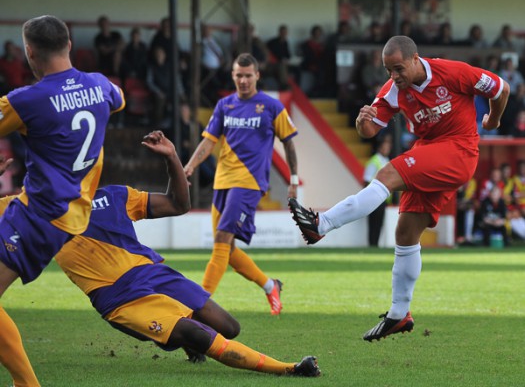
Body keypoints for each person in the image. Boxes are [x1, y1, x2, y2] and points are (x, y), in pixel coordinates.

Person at [0, 131, 320, 379]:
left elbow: (178, 205)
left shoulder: (116, 196)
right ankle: (289, 369)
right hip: (118, 296)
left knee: (228, 326)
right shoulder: (29, 208)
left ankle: (179, 338)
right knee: (195, 332)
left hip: (152, 271)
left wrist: (172, 159)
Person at [289, 35, 510, 341]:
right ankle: (398, 314)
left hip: (459, 150)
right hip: (429, 152)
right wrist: (361, 122)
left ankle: (321, 224)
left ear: (415, 59)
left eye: (398, 68)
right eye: (388, 70)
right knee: (405, 234)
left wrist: (493, 119)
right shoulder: (393, 90)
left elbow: (501, 88)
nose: (393, 76)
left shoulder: (452, 72)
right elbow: (369, 130)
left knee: (387, 174)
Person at [0, 15, 125, 387]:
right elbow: (115, 102)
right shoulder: (102, 87)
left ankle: (27, 385)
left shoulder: (25, 100)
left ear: (29, 51)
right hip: (66, 211)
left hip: (41, 214)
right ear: (69, 44)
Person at [184, 53, 299, 315]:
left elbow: (289, 142)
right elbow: (209, 140)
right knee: (226, 249)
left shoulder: (271, 107)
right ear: (233, 76)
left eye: (248, 75)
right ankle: (271, 285)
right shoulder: (225, 105)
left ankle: (198, 307)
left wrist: (293, 179)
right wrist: (190, 165)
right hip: (222, 182)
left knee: (223, 237)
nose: (243, 80)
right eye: (239, 75)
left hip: (249, 183)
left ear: (257, 75)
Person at [363, 133, 392, 246]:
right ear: (380, 147)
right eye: (385, 146)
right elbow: (366, 180)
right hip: (374, 197)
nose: (387, 149)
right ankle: (372, 244)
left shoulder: (386, 160)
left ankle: (375, 245)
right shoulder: (374, 160)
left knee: (379, 223)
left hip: (383, 199)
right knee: (373, 223)